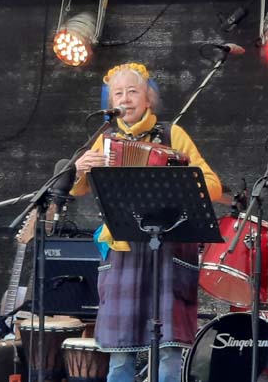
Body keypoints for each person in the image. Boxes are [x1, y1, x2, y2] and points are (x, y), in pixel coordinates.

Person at [70, 62, 222, 382]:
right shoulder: (104, 139)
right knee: (120, 353)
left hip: (169, 249)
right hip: (124, 249)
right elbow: (78, 189)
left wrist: (174, 181)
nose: (125, 99)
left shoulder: (172, 134)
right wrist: (80, 169)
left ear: (148, 98)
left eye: (133, 92)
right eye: (118, 94)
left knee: (168, 352)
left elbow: (212, 185)